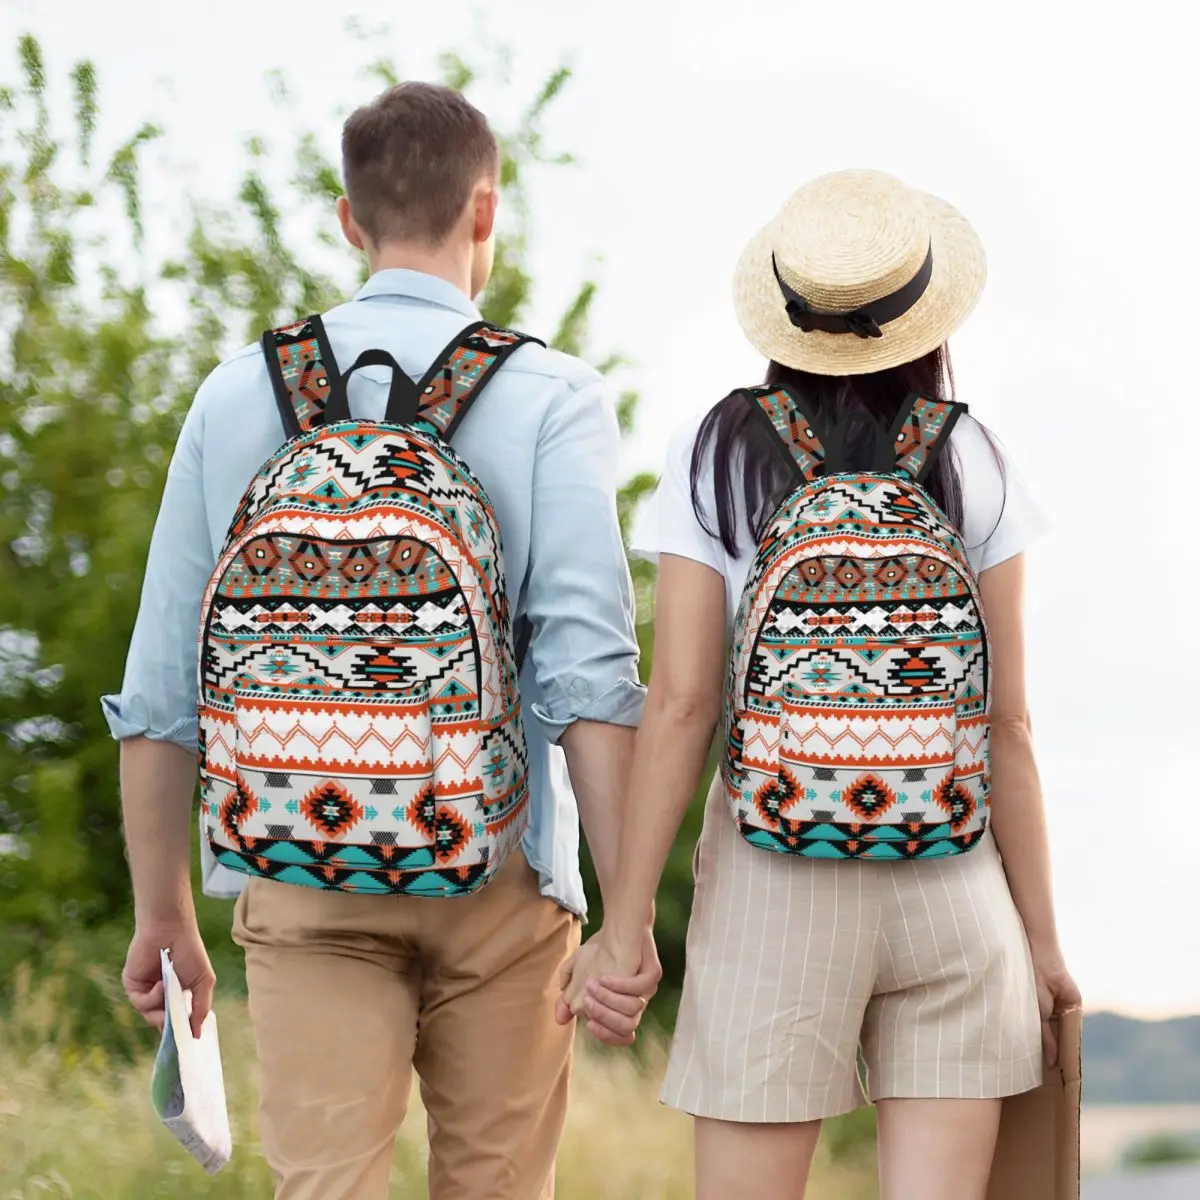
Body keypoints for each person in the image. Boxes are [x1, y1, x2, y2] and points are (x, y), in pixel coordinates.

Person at [104, 81, 661, 1200]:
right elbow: (588, 679)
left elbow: (163, 684)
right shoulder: (551, 394)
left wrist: (163, 912)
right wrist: (627, 915)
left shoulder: (236, 395)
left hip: (299, 865)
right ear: (486, 212)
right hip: (500, 871)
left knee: (325, 1187)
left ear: (349, 219)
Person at [560, 169, 1081, 1200]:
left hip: (774, 875)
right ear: (925, 316)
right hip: (953, 877)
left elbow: (681, 706)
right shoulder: (973, 455)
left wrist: (623, 927)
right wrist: (1043, 944)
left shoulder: (717, 451)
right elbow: (1008, 724)